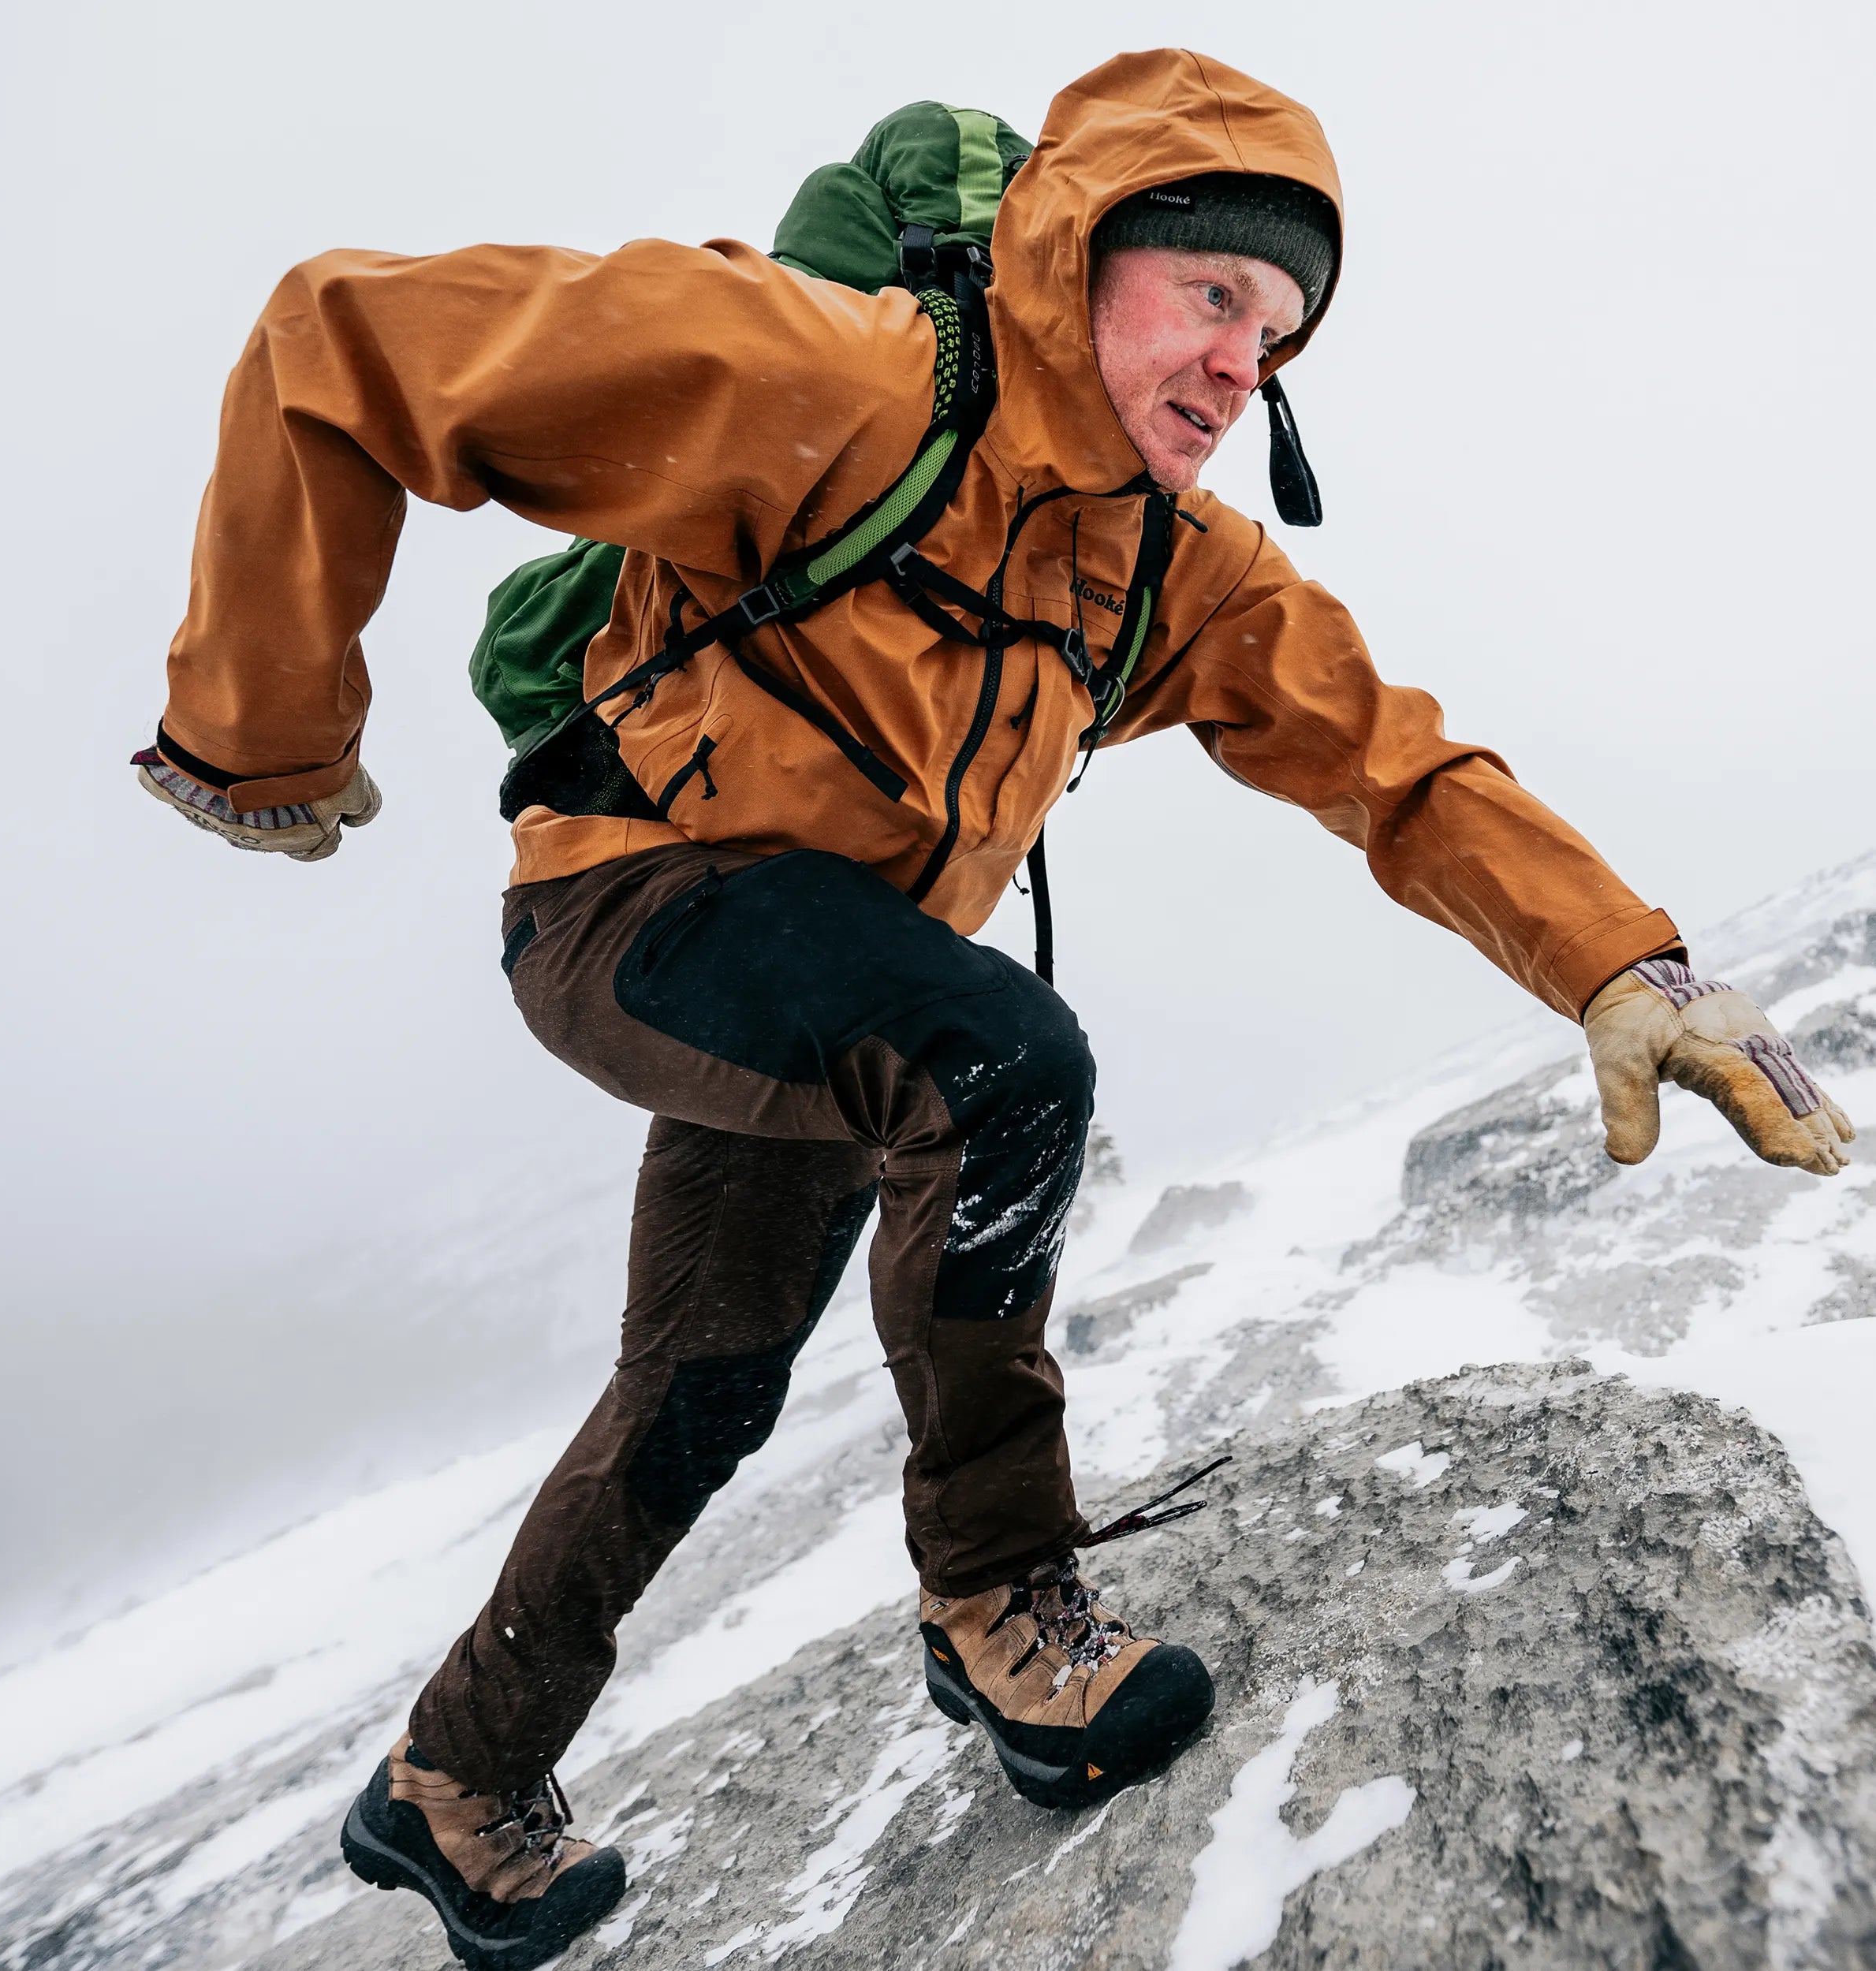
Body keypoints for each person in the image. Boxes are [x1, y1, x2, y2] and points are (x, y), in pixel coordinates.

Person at [132, 48, 1853, 1970]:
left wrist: (1623, 964)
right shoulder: (834, 382)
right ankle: (1001, 1596)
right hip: (631, 905)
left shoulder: (1160, 570)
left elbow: (1395, 762)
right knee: (1009, 1054)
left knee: (700, 1378)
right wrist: (257, 738)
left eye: (1276, 333)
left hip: (834, 979)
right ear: (1077, 253)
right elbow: (341, 340)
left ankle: (454, 1774)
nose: (1239, 363)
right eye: (1212, 293)